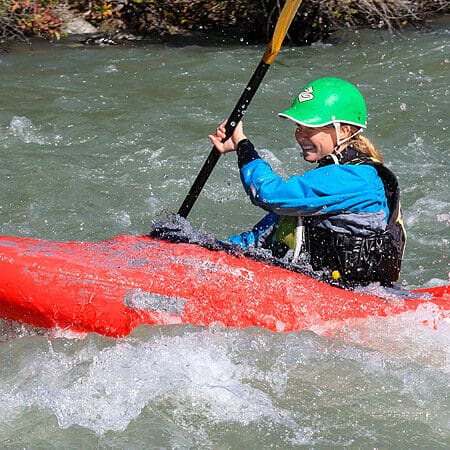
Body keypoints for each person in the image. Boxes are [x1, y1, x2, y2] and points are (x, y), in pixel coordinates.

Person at [208, 77, 406, 287]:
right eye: (298, 127)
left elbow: (269, 194)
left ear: (344, 131)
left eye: (310, 129)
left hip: (357, 295)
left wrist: (243, 146)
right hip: (326, 287)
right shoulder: (334, 175)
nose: (300, 136)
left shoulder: (355, 178)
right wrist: (216, 249)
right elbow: (272, 227)